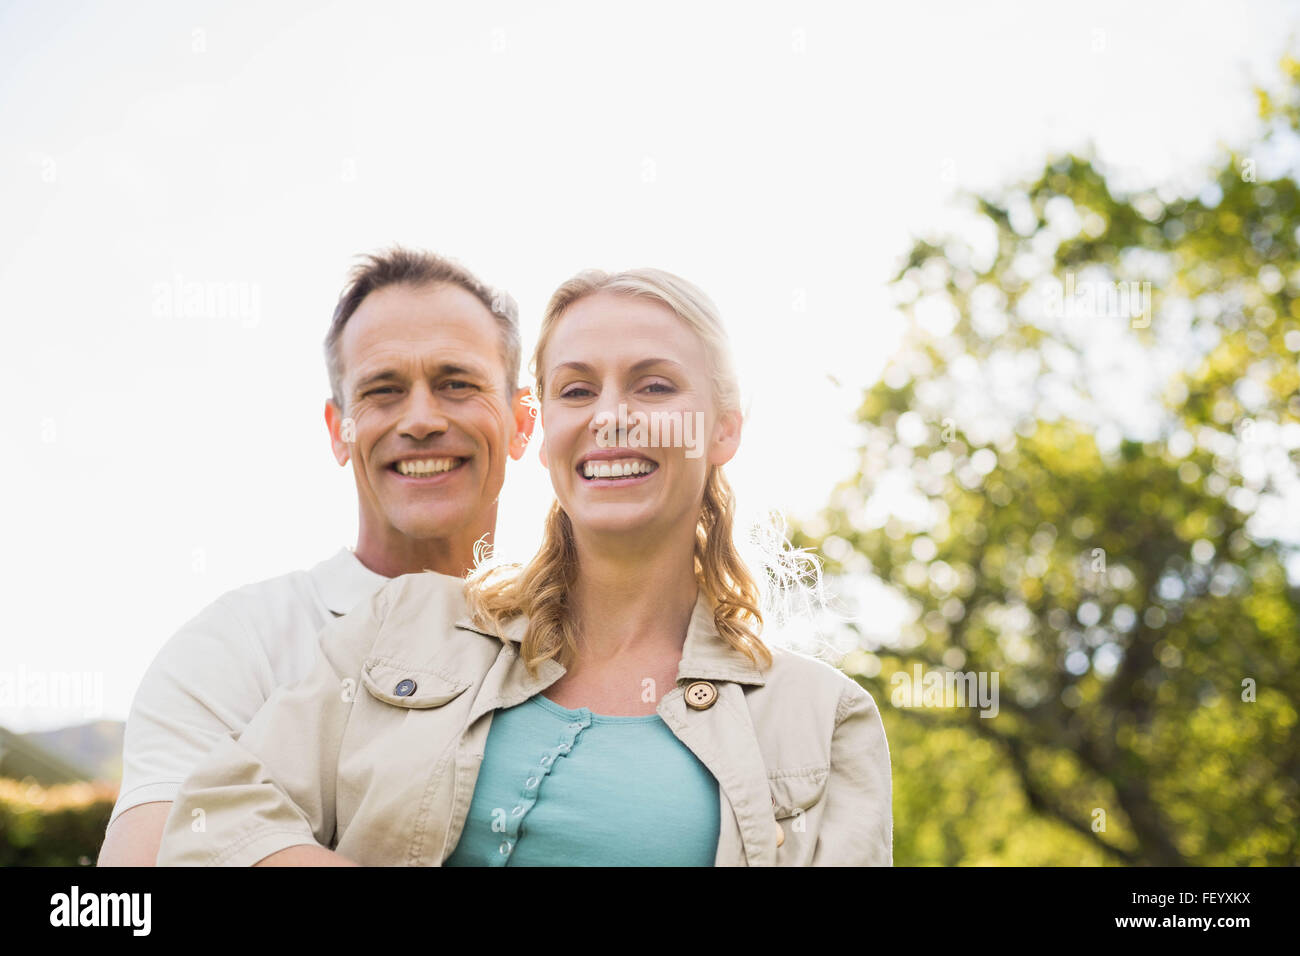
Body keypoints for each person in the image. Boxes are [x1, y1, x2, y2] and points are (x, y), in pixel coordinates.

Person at [156, 266, 892, 866]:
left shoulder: (823, 719)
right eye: (577, 389)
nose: (610, 416)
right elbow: (213, 818)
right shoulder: (406, 621)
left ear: (725, 426)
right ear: (541, 433)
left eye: (654, 385)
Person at [96, 246, 534, 866]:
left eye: (456, 383)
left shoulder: (591, 641)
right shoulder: (236, 645)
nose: (420, 419)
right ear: (339, 431)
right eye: (383, 391)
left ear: (522, 421)